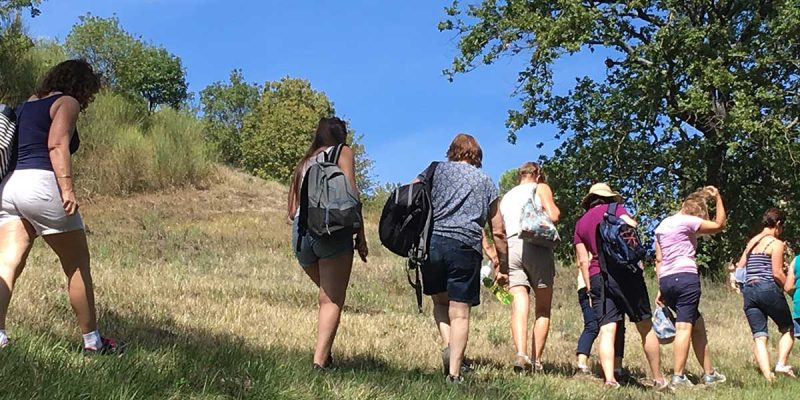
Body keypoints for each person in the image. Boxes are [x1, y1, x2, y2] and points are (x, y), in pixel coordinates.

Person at [0, 60, 123, 353]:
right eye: (89, 92)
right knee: (77, 264)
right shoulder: (66, 103)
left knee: (6, 264)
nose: (88, 98)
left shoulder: (25, 105)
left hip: (10, 187)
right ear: (81, 85)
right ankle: (93, 343)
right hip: (42, 185)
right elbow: (57, 145)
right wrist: (67, 188)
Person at [417, 133, 507, 384]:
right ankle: (454, 373)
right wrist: (502, 261)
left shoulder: (436, 171)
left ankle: (449, 345)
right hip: (466, 247)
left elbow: (410, 192)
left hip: (433, 244)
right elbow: (498, 229)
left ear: (452, 151)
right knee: (460, 314)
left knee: (440, 303)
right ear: (477, 155)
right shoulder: (486, 181)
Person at [287, 117, 368, 370]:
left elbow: (291, 210)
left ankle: (325, 354)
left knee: (327, 294)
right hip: (331, 231)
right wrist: (361, 236)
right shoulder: (342, 152)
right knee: (331, 299)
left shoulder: (304, 162)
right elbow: (352, 196)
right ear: (341, 134)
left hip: (301, 236)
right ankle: (319, 363)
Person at [573, 183, 665, 389]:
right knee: (645, 326)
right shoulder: (616, 209)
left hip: (598, 276)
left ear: (589, 201)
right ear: (608, 197)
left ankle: (610, 380)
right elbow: (631, 228)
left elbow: (582, 261)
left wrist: (589, 288)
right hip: (625, 274)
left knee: (607, 329)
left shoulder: (580, 223)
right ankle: (658, 379)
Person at [654, 187, 727, 387]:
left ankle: (709, 373)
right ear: (698, 212)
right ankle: (678, 377)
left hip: (667, 279)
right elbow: (720, 224)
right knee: (684, 326)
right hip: (685, 277)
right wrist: (718, 198)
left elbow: (659, 258)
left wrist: (661, 286)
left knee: (697, 323)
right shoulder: (688, 220)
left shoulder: (662, 225)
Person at [498, 162, 559, 372]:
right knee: (543, 308)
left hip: (512, 246)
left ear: (520, 176)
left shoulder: (506, 198)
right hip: (536, 245)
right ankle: (536, 360)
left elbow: (500, 230)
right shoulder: (540, 188)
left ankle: (521, 354)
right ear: (538, 174)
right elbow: (554, 215)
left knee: (519, 302)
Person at [735, 208, 795, 381]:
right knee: (788, 328)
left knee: (760, 336)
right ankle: (781, 364)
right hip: (767, 288)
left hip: (749, 291)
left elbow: (740, 267)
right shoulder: (776, 244)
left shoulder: (751, 242)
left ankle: (769, 377)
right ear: (778, 225)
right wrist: (789, 289)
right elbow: (776, 273)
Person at [575, 272, 626, 378]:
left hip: (608, 285)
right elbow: (582, 262)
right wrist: (589, 289)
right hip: (591, 285)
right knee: (593, 325)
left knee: (617, 327)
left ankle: (616, 369)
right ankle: (581, 365)